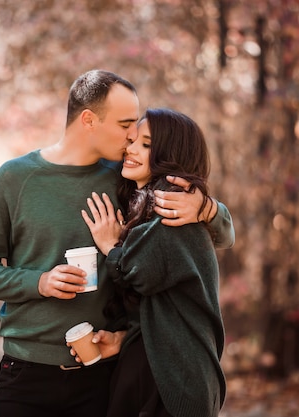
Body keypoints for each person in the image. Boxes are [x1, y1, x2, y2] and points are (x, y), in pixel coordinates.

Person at [0, 70, 234, 417]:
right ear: (89, 119)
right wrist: (39, 282)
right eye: (125, 126)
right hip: (26, 373)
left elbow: (219, 236)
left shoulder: (127, 181)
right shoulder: (14, 179)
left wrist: (206, 208)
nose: (131, 137)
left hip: (103, 377)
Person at [81, 107, 227, 417]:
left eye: (145, 144)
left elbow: (137, 273)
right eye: (131, 141)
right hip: (158, 367)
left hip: (174, 381)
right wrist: (126, 338)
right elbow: (161, 304)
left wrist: (110, 246)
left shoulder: (174, 216)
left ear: (169, 155)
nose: (130, 149)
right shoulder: (153, 210)